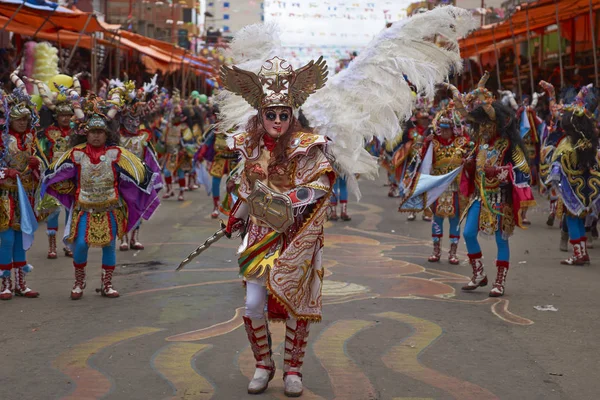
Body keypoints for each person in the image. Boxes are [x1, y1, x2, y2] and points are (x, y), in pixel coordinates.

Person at [221, 55, 334, 397]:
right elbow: (245, 190)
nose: (277, 120)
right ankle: (263, 364)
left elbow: (322, 184)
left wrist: (292, 200)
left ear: (292, 115)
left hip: (297, 237)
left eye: (284, 114)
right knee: (254, 304)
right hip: (258, 237)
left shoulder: (308, 146)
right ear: (260, 115)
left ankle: (293, 370)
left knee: (296, 305)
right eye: (271, 114)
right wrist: (235, 216)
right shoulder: (250, 146)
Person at [41, 97, 160, 299]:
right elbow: (55, 174)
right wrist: (65, 188)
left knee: (109, 245)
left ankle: (107, 284)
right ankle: (79, 282)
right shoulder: (76, 154)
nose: (96, 136)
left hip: (110, 208)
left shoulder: (117, 154)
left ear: (107, 134)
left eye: (100, 132)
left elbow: (139, 173)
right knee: (80, 245)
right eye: (93, 132)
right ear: (85, 133)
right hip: (84, 208)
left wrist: (137, 189)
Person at [446, 73, 535, 297]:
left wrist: (501, 172)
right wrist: (468, 165)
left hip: (501, 199)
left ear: (498, 125)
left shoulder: (510, 146)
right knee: (467, 233)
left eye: (487, 124)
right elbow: (474, 170)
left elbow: (524, 171)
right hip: (479, 196)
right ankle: (479, 275)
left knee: (500, 240)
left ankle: (499, 282)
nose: (483, 129)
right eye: (481, 125)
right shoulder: (480, 145)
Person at [0, 71, 43, 300]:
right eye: (19, 119)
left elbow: (40, 166)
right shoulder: (2, 138)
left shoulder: (30, 139)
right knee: (6, 238)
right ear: (10, 120)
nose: (23, 123)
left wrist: (37, 166)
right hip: (4, 195)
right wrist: (5, 171)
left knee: (20, 237)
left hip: (24, 195)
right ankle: (5, 283)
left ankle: (21, 283)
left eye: (26, 119)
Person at [547, 85, 599, 265]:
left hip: (571, 188)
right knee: (580, 218)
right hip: (586, 189)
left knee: (571, 217)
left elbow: (556, 168)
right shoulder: (588, 143)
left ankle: (578, 254)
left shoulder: (568, 145)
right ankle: (582, 253)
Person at [31, 75, 82, 259]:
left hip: (72, 175)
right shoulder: (48, 133)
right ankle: (52, 245)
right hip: (53, 175)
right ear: (56, 116)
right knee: (53, 209)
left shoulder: (78, 133)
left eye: (69, 115)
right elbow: (41, 152)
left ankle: (68, 243)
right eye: (62, 115)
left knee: (71, 209)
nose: (66, 118)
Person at [116, 78, 162, 251]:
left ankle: (135, 237)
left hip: (139, 179)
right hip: (122, 179)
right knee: (122, 207)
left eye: (135, 120)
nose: (132, 123)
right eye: (128, 119)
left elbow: (150, 157)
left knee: (138, 207)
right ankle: (123, 238)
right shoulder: (117, 138)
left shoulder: (143, 137)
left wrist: (152, 176)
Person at [424, 102, 470, 264]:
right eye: (442, 129)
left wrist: (467, 160)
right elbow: (422, 160)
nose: (444, 132)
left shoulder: (461, 143)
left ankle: (453, 252)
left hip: (455, 188)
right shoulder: (433, 143)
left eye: (447, 129)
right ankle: (436, 250)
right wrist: (425, 143)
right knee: (436, 219)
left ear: (453, 129)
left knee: (454, 220)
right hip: (437, 187)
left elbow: (472, 157)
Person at [194, 125, 239, 218]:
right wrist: (200, 155)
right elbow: (206, 143)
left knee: (234, 185)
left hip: (233, 161)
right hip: (219, 159)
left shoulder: (239, 128)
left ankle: (235, 208)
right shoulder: (216, 129)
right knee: (215, 182)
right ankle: (216, 207)